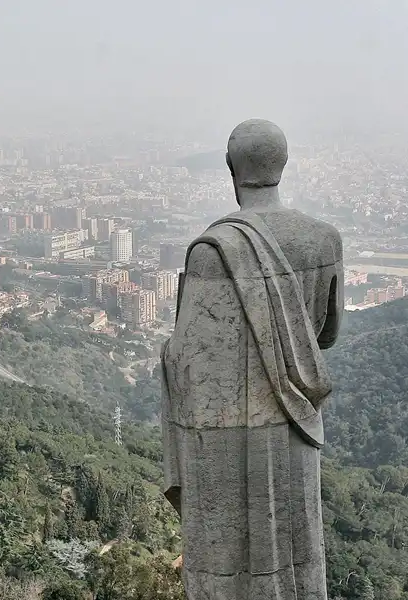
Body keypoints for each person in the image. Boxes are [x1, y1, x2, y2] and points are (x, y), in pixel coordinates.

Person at [161, 119, 344, 599]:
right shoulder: (323, 240)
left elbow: (186, 363)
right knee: (297, 561)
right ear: (283, 165)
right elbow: (325, 336)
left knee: (229, 570)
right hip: (295, 429)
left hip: (225, 448)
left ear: (230, 167)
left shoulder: (211, 252)